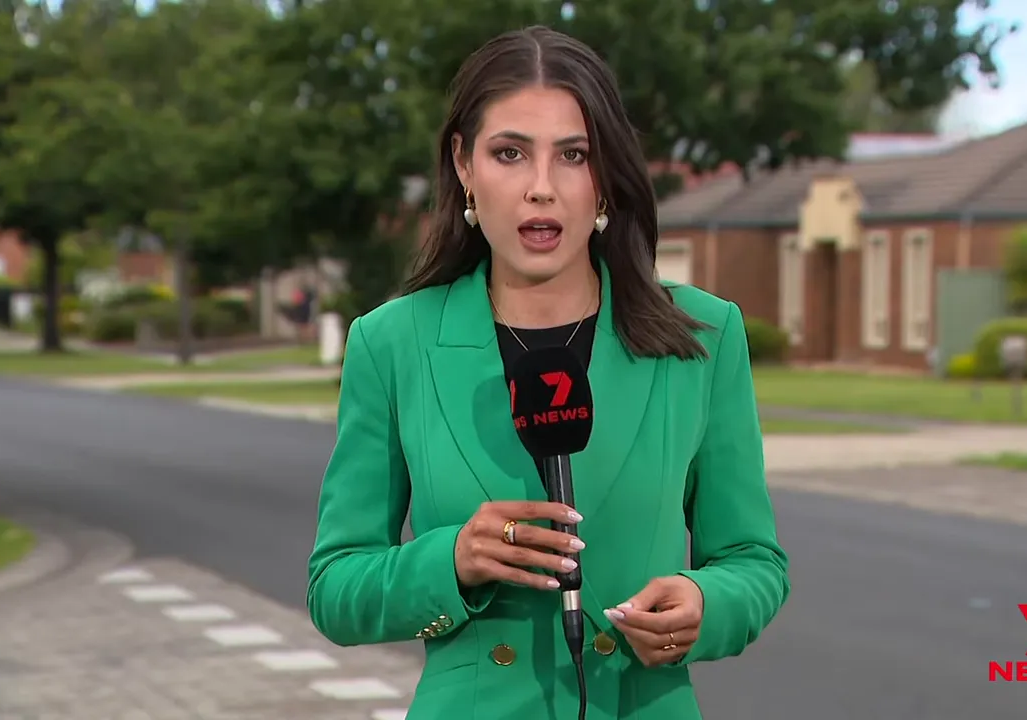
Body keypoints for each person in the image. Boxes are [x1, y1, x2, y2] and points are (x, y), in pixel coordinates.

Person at [307, 25, 790, 720]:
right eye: (509, 153)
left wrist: (706, 607)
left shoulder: (705, 339)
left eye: (573, 155)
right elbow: (335, 588)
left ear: (606, 179)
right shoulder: (393, 343)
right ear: (465, 167)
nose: (541, 188)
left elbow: (753, 559)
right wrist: (451, 561)